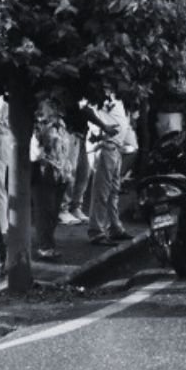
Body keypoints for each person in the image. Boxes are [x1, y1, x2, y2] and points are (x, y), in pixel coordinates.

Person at [31, 95, 77, 260]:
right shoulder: (38, 126)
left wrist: (68, 169)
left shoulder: (61, 125)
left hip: (61, 172)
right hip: (45, 172)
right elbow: (35, 153)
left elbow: (65, 148)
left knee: (53, 212)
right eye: (51, 107)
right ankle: (45, 246)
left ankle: (48, 244)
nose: (56, 110)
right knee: (45, 211)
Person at [86, 95, 132, 246]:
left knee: (113, 191)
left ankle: (114, 226)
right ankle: (97, 231)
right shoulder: (99, 95)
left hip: (115, 147)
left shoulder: (117, 98)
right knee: (102, 191)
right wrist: (102, 128)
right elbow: (86, 109)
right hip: (106, 144)